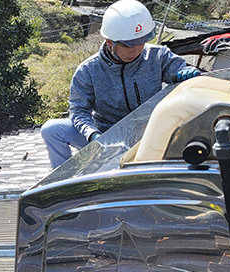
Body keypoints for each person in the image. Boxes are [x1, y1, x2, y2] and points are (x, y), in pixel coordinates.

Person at [41, 0, 201, 168]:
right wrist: (93, 135)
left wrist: (186, 72)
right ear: (110, 42)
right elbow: (79, 110)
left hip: (149, 132)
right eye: (129, 45)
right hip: (106, 135)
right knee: (52, 130)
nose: (136, 50)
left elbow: (178, 69)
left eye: (142, 42)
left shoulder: (157, 56)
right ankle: (62, 182)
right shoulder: (88, 70)